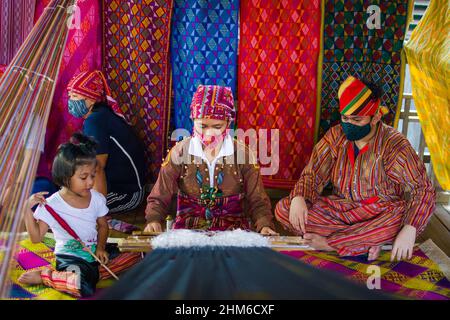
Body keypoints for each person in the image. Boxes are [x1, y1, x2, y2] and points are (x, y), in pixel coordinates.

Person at [275, 75, 436, 261]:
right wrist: (299, 197)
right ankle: (364, 242)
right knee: (284, 209)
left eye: (357, 120)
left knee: (400, 219)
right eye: (345, 118)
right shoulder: (336, 135)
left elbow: (423, 188)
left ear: (375, 117)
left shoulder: (394, 144)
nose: (349, 125)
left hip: (380, 213)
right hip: (341, 209)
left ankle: (330, 244)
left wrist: (410, 228)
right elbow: (314, 175)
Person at [18, 133, 141, 297]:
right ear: (65, 178)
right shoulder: (51, 205)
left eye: (93, 175)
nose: (90, 182)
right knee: (81, 287)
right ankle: (47, 276)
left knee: (138, 253)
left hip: (94, 254)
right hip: (70, 259)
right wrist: (27, 209)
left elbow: (103, 226)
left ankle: (94, 274)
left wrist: (101, 248)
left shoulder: (96, 198)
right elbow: (36, 238)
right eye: (84, 177)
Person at [144, 85, 277, 235]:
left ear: (228, 123)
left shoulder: (243, 155)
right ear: (193, 120)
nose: (209, 134)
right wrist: (154, 219)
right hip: (188, 229)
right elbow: (159, 196)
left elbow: (257, 200)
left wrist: (264, 225)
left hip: (234, 230)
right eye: (203, 126)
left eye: (217, 126)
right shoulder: (179, 153)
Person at [67, 70, 145, 213]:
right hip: (115, 188)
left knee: (73, 208)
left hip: (127, 194)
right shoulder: (100, 115)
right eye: (70, 95)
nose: (71, 100)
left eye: (76, 96)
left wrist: (97, 208)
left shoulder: (95, 121)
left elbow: (97, 167)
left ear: (91, 99)